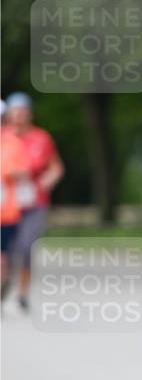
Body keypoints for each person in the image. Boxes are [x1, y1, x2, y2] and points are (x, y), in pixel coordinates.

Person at [5, 92, 65, 311]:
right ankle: (4, 287)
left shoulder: (41, 138)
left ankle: (22, 293)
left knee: (27, 246)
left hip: (35, 202)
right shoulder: (3, 137)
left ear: (29, 114)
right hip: (8, 203)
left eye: (23, 111)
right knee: (8, 250)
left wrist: (47, 182)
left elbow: (56, 168)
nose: (19, 115)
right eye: (15, 111)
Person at [1, 100, 29, 306]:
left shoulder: (13, 143)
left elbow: (24, 172)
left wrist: (12, 173)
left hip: (6, 211)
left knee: (4, 257)